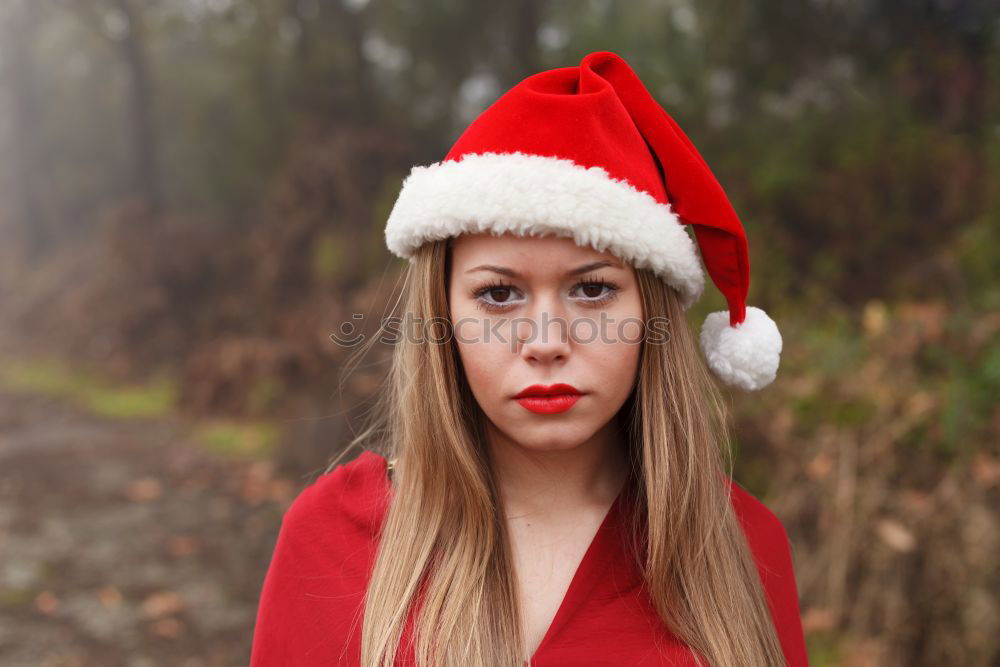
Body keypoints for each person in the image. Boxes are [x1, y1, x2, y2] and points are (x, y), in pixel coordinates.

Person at [250, 50, 806, 666]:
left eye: (592, 289)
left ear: (651, 310)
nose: (545, 342)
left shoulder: (744, 547)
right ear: (444, 316)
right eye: (498, 294)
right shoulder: (330, 537)